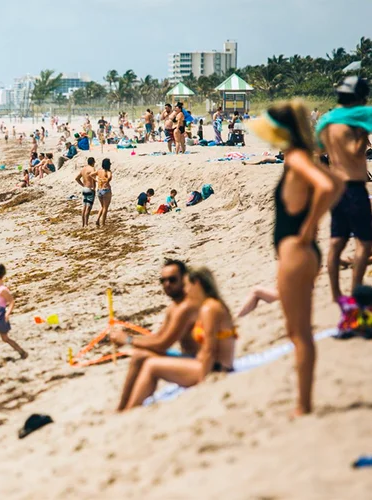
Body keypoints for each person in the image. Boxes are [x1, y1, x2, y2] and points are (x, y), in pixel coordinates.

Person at [250, 100, 342, 415]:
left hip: (296, 251)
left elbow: (328, 185)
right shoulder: (302, 156)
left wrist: (308, 227)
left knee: (299, 333)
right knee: (298, 331)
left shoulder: (297, 157)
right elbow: (338, 182)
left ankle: (303, 405)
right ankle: (303, 401)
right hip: (302, 252)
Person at [121, 267, 237, 410]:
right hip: (212, 364)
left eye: (188, 285)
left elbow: (209, 350)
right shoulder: (211, 305)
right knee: (145, 359)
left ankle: (130, 410)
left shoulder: (209, 309)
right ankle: (126, 408)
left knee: (151, 365)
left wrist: (204, 383)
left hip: (217, 368)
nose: (186, 290)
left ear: (197, 284)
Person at [111, 259, 199, 410]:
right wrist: (132, 340)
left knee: (141, 358)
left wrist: (128, 339)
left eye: (172, 280)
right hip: (188, 357)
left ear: (185, 279)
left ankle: (127, 410)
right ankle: (122, 409)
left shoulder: (186, 307)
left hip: (198, 362)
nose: (167, 284)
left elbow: (163, 343)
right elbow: (158, 337)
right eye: (163, 281)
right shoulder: (174, 307)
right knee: (140, 355)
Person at [316, 77, 372, 305]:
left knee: (336, 243)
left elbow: (319, 153)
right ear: (358, 98)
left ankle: (336, 296)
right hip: (353, 188)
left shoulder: (328, 122)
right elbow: (353, 151)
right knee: (364, 243)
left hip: (336, 188)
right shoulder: (352, 124)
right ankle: (355, 291)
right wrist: (362, 136)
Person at [75, 157, 97, 228]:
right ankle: (86, 224)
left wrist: (82, 185)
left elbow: (77, 178)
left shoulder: (83, 169)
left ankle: (83, 224)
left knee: (84, 206)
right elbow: (93, 179)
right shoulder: (92, 169)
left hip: (84, 188)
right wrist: (94, 188)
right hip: (90, 188)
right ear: (93, 162)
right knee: (88, 207)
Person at [94, 159, 113, 227]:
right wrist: (107, 181)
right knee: (105, 208)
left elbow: (90, 174)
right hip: (106, 190)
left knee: (102, 206)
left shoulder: (99, 171)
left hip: (99, 189)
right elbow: (109, 177)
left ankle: (97, 220)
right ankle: (103, 223)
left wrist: (96, 180)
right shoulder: (108, 171)